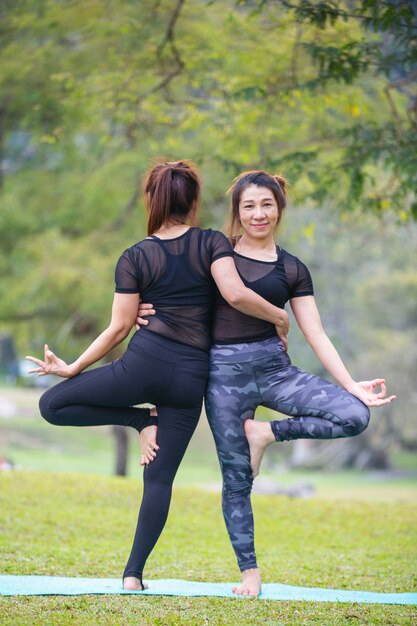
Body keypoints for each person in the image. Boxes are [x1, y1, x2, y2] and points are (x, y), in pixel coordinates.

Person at [25, 160, 290, 592]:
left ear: (152, 199)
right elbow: (237, 294)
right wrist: (280, 318)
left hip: (140, 367)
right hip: (190, 379)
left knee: (51, 405)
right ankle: (133, 575)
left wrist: (72, 368)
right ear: (193, 200)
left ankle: (138, 421)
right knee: (159, 479)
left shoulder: (135, 256)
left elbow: (119, 327)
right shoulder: (213, 244)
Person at [137, 170, 395, 597]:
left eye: (267, 204)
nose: (259, 214)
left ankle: (265, 433)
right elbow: (169, 285)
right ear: (237, 212)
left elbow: (316, 331)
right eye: (249, 206)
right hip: (222, 377)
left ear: (279, 208)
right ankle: (249, 574)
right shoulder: (215, 253)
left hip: (276, 371)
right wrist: (141, 308)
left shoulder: (292, 268)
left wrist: (351, 383)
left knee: (354, 415)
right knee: (236, 479)